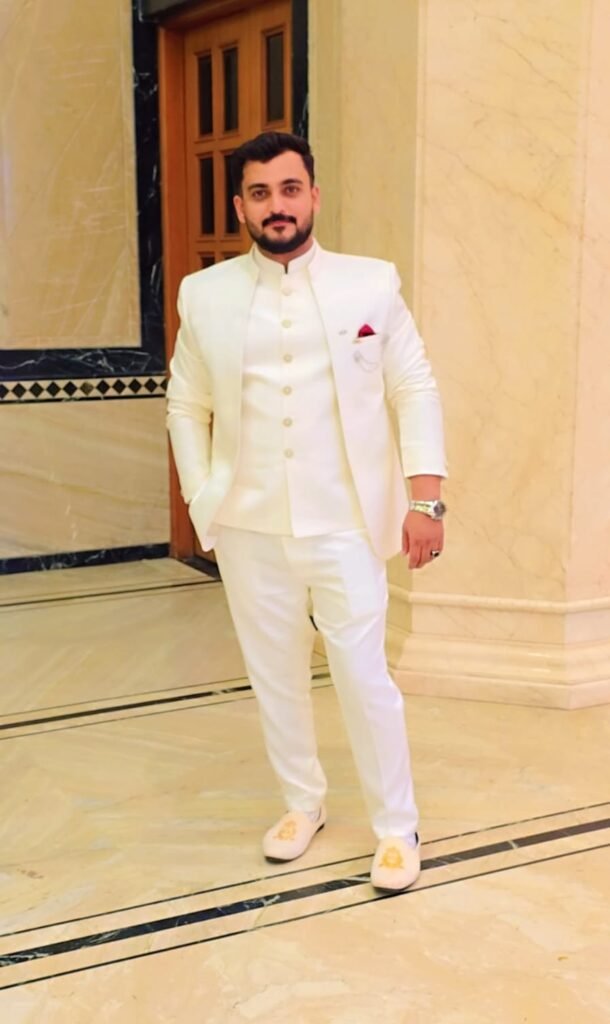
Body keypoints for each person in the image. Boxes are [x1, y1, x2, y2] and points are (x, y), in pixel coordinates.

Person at [166, 131, 447, 892]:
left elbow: (413, 388)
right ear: (240, 206)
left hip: (345, 523)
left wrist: (425, 499)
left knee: (363, 675)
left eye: (290, 189)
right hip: (248, 524)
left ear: (314, 196)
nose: (277, 206)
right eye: (260, 193)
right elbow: (186, 404)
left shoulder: (372, 284)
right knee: (274, 673)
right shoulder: (204, 294)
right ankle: (302, 803)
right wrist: (202, 497)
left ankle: (396, 826)